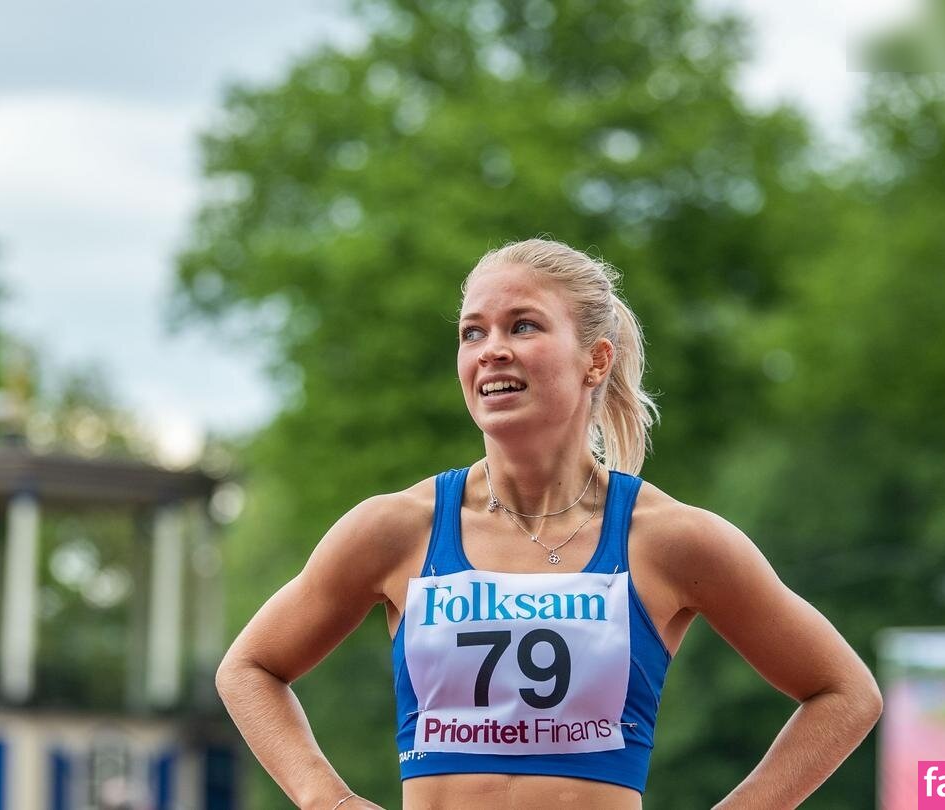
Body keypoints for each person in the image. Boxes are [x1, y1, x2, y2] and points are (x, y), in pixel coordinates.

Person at [215, 238, 883, 809]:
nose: (491, 350)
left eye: (523, 326)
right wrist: (326, 799)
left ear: (596, 360)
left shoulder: (671, 539)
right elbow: (249, 668)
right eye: (473, 332)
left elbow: (845, 693)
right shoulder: (396, 529)